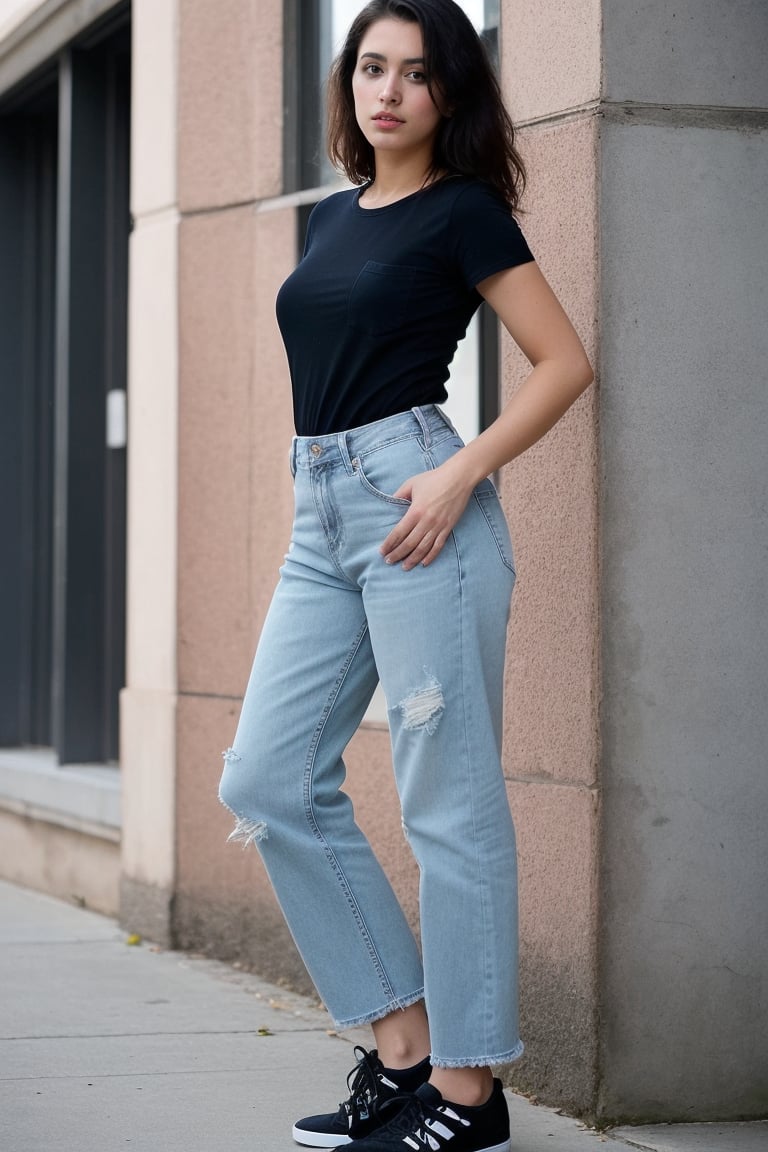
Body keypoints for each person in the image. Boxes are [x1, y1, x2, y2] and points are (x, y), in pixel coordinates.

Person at [218, 1, 593, 1149]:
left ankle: (471, 1094)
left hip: (419, 501)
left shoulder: (464, 210)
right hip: (319, 511)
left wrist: (462, 474)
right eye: (371, 68)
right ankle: (405, 1045)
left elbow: (564, 361)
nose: (388, 91)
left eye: (417, 74)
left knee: (448, 804)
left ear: (449, 95)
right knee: (269, 781)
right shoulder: (334, 218)